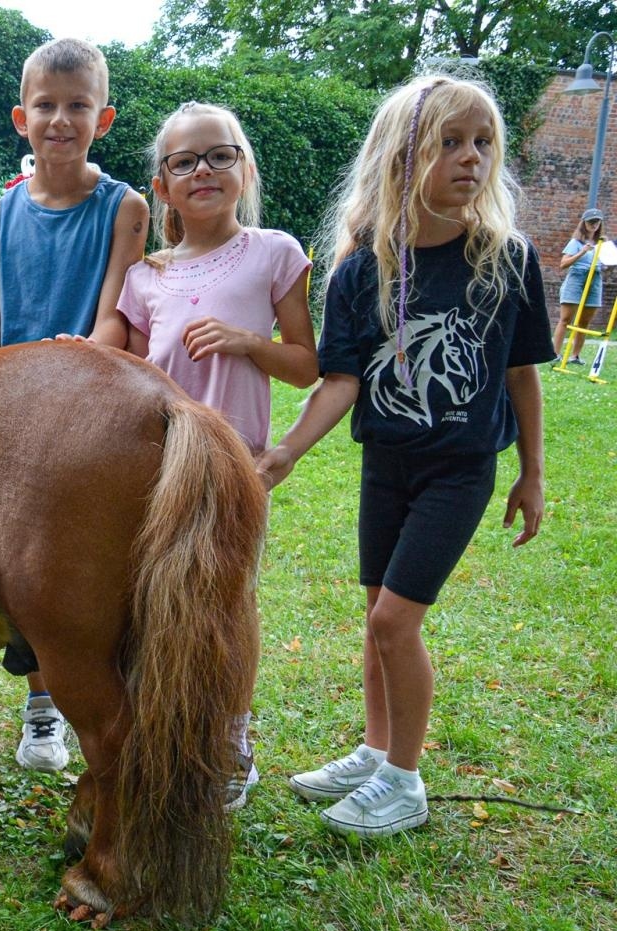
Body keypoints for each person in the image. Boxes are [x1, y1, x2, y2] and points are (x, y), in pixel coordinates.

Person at [258, 75, 551, 838]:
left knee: (395, 621)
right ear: (400, 157)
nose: (472, 158)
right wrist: (285, 452)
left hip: (460, 470)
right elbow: (341, 380)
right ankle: (376, 749)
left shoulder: (505, 259)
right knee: (375, 619)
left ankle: (404, 780)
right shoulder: (363, 270)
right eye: (450, 142)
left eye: (483, 142)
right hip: (385, 465)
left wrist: (532, 473)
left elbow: (521, 374)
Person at [115, 101, 318, 808]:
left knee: (228, 604)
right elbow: (128, 373)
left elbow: (305, 365)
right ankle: (157, 732)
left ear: (245, 169)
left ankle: (231, 738)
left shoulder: (275, 253)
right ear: (162, 187)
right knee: (150, 603)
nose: (203, 170)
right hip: (153, 468)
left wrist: (248, 342)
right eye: (184, 162)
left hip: (235, 464)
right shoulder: (144, 276)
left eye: (219, 155)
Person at [0, 38, 149, 771]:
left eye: (78, 106)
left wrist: (69, 372)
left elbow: (114, 321)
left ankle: (111, 703)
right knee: (21, 573)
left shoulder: (125, 208)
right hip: (11, 420)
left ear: (104, 119)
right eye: (46, 105)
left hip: (86, 411)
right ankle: (41, 708)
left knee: (87, 577)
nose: (60, 120)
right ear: (21, 117)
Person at [553, 208, 604, 365]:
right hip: (577, 279)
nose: (594, 225)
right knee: (565, 319)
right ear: (584, 223)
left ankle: (575, 356)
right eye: (591, 222)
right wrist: (582, 252)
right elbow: (563, 264)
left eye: (597, 222)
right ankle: (555, 354)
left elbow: (605, 265)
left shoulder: (602, 244)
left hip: (595, 279)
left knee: (584, 321)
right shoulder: (576, 242)